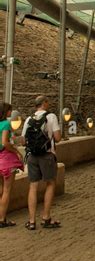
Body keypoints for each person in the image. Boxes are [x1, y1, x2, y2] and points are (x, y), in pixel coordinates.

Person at [22, 95, 62, 229]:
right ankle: (46, 218)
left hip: (32, 156)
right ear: (44, 103)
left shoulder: (29, 119)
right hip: (47, 155)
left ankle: (31, 221)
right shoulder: (51, 117)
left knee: (33, 186)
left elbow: (23, 140)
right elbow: (57, 138)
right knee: (50, 183)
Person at [0, 102, 24, 228]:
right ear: (6, 112)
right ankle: (2, 219)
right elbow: (5, 142)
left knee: (1, 189)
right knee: (7, 191)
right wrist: (16, 151)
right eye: (10, 111)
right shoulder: (5, 124)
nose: (11, 113)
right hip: (6, 160)